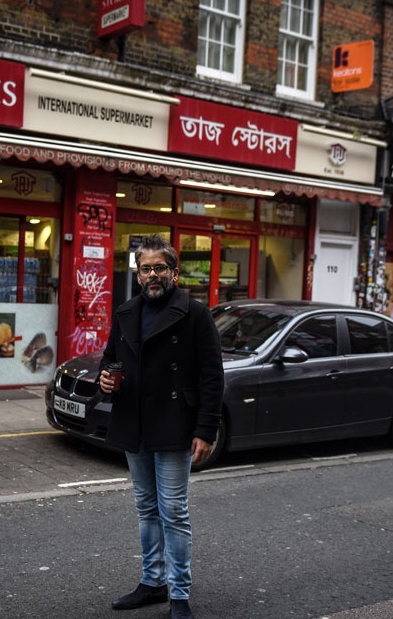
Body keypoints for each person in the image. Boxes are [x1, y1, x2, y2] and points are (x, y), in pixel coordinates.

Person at [99, 234, 224, 619]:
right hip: (134, 421)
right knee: (146, 507)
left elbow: (212, 377)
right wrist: (106, 380)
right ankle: (152, 582)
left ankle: (180, 593)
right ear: (137, 273)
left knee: (173, 510)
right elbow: (111, 359)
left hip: (174, 424)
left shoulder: (195, 314)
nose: (152, 275)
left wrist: (205, 430)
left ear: (174, 271)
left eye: (159, 268)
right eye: (146, 269)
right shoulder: (125, 311)